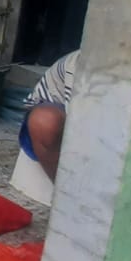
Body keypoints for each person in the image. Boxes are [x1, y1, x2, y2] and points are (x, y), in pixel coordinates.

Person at [21, 49, 78, 181]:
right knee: (44, 120)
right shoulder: (80, 66)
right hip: (47, 132)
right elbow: (79, 130)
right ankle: (65, 188)